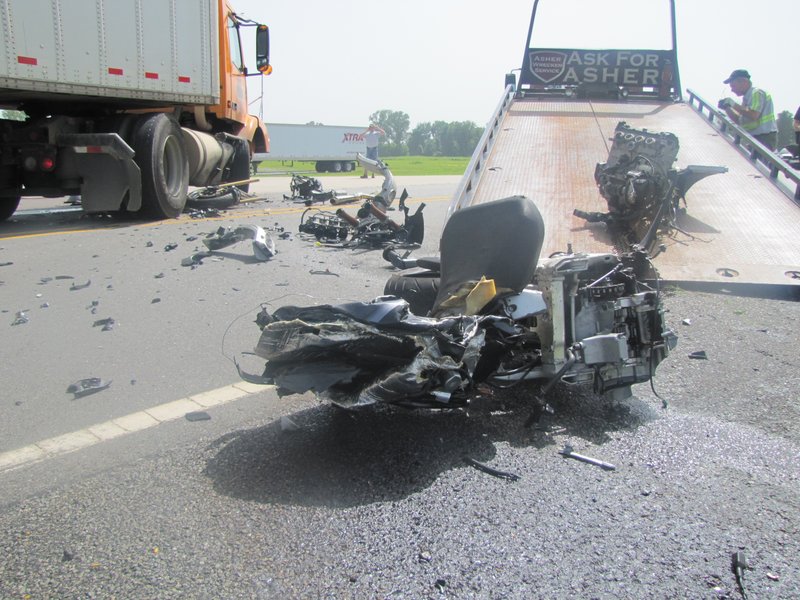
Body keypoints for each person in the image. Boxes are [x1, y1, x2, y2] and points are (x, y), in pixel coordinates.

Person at [719, 69, 778, 151]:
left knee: (760, 163)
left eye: (733, 86)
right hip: (754, 137)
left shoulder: (757, 93)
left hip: (764, 137)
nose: (732, 90)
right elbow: (739, 120)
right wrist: (727, 108)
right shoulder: (746, 98)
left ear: (743, 82)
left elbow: (754, 115)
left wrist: (733, 104)